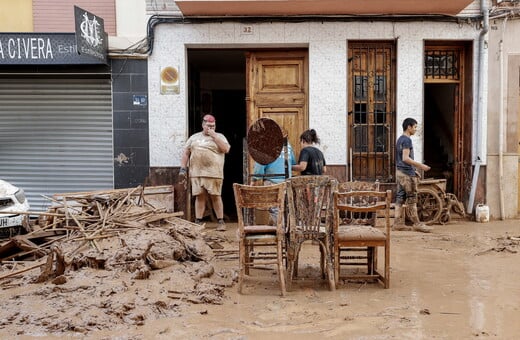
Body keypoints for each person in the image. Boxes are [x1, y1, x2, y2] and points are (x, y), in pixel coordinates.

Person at [179, 114, 230, 231]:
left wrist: (214, 137)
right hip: (196, 173)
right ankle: (198, 221)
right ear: (203, 125)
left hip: (214, 173)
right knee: (199, 196)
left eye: (213, 126)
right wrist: (183, 168)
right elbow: (186, 153)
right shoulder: (194, 137)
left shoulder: (220, 136)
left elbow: (226, 149)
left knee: (216, 196)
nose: (211, 128)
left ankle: (221, 222)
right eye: (208, 126)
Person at [393, 117, 433, 233]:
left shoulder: (400, 139)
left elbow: (401, 159)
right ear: (409, 127)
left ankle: (397, 224)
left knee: (400, 197)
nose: (416, 129)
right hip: (406, 174)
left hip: (400, 172)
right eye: (415, 127)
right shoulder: (407, 140)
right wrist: (421, 166)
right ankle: (417, 223)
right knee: (412, 198)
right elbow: (405, 158)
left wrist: (413, 169)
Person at [251, 129, 296, 224]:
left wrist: (254, 179)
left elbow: (260, 165)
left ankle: (282, 232)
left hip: (272, 182)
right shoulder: (287, 146)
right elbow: (292, 163)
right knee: (285, 208)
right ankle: (282, 229)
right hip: (286, 181)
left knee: (274, 208)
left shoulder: (266, 146)